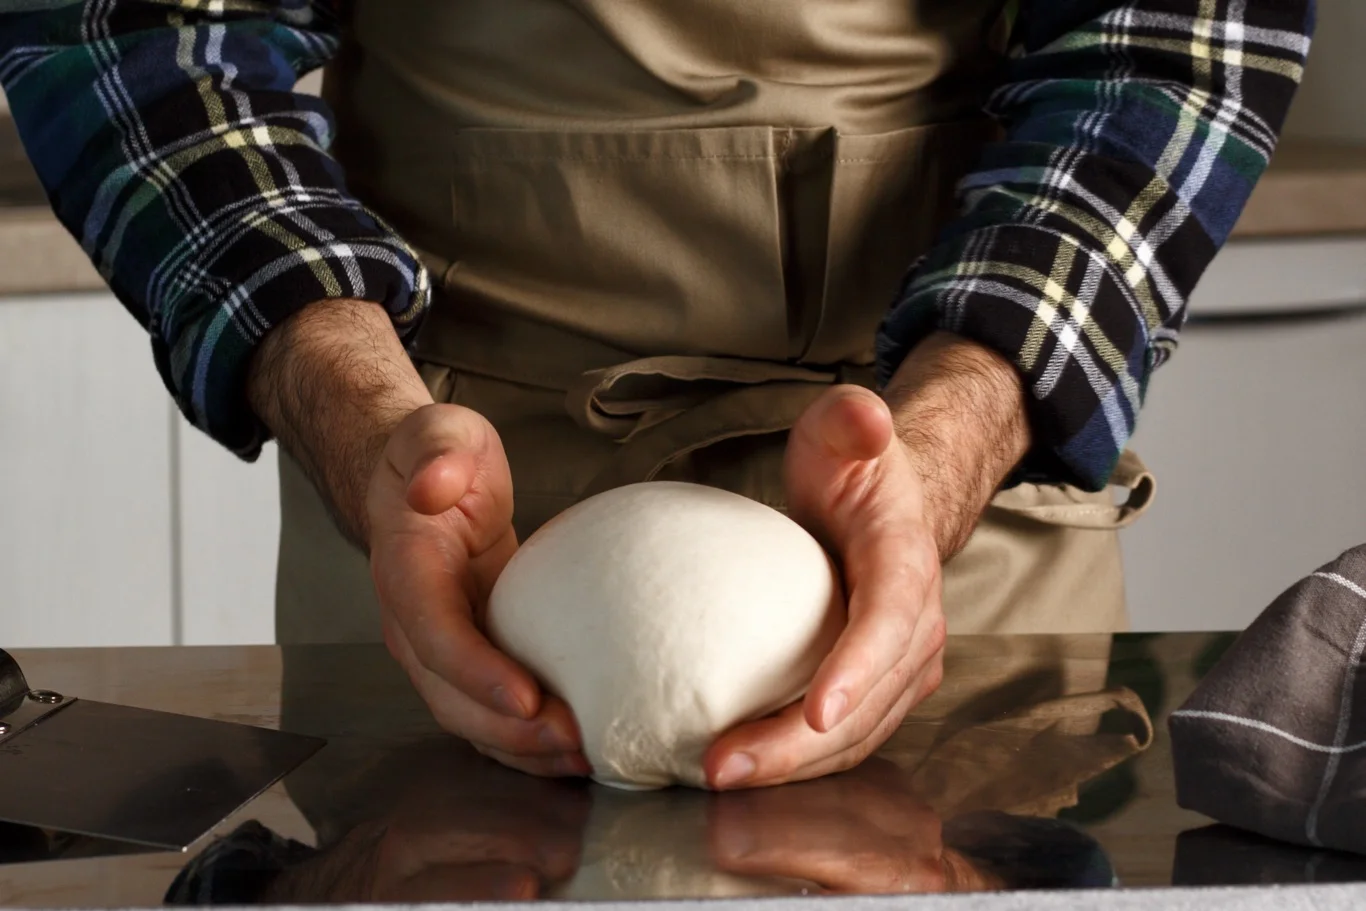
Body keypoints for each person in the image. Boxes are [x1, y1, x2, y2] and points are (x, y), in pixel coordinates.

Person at [0, 0, 1313, 789]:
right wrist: (351, 403)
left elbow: (1167, 40)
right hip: (439, 492)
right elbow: (137, 30)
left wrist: (955, 430)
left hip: (943, 489)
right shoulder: (401, 459)